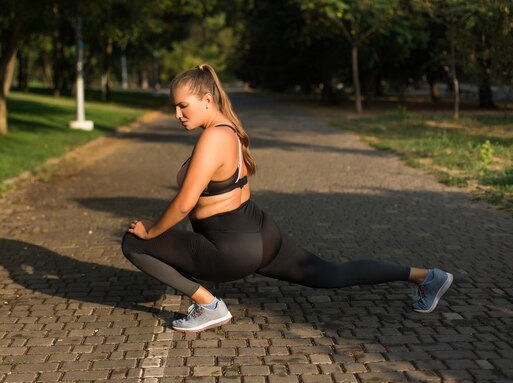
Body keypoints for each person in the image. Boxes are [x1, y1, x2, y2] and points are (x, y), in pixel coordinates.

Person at [121, 64, 453, 333]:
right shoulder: (229, 130)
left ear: (207, 100)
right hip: (261, 233)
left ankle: (209, 305)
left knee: (133, 244)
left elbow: (183, 202)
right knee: (331, 275)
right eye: (174, 107)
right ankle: (428, 277)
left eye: (183, 105)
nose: (178, 114)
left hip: (232, 246)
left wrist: (152, 231)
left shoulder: (212, 137)